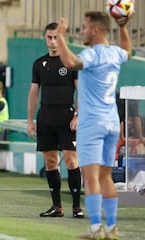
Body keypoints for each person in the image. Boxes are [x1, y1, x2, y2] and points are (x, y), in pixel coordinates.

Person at [56, 11, 132, 239]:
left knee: (90, 177)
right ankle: (112, 228)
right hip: (111, 122)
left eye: (84, 27)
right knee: (105, 177)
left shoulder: (93, 54)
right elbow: (128, 51)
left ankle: (96, 228)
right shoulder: (115, 53)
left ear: (96, 30)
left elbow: (70, 62)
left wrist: (60, 36)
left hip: (92, 123)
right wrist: (123, 27)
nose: (81, 31)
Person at [27, 22, 83, 219]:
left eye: (56, 37)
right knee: (50, 161)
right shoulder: (39, 63)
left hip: (67, 117)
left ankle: (77, 206)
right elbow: (34, 93)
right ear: (45, 39)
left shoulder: (71, 62)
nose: (52, 41)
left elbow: (81, 92)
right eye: (49, 37)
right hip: (46, 117)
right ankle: (57, 206)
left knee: (70, 159)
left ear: (62, 39)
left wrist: (77, 115)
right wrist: (30, 120)